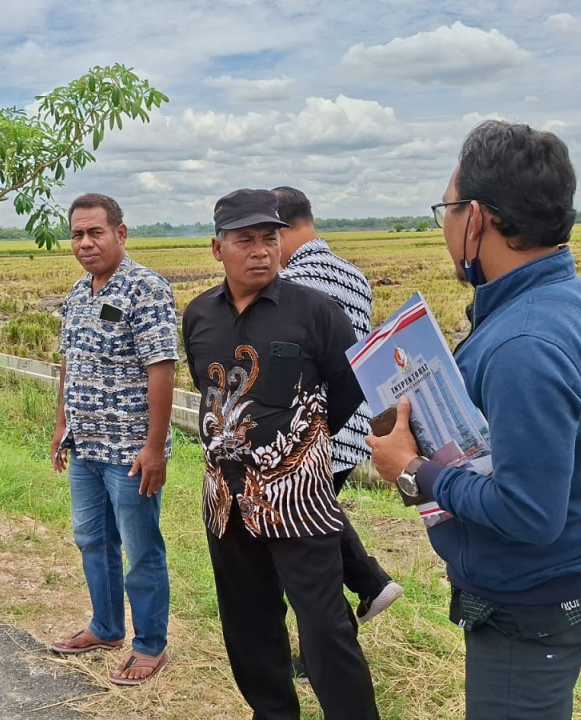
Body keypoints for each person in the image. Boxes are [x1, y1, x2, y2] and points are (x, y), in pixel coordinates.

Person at [366, 120, 581, 720]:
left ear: (475, 218)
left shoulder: (523, 342)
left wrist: (415, 471)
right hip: (564, 579)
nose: (446, 227)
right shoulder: (573, 298)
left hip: (530, 600)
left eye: (447, 210)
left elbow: (530, 512)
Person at [183, 189, 378, 719]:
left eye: (269, 238)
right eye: (245, 240)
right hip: (225, 502)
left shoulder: (316, 312)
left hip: (299, 500)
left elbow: (347, 390)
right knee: (248, 625)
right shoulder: (198, 315)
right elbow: (208, 391)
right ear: (216, 247)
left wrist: (303, 448)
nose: (260, 251)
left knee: (324, 627)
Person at [273, 186, 404, 680]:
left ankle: (328, 650)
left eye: (267, 234)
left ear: (282, 229)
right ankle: (369, 586)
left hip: (307, 436)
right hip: (349, 431)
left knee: (306, 551)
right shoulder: (352, 274)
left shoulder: (293, 281)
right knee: (318, 532)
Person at [48, 193, 175, 686]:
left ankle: (150, 645)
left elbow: (161, 369)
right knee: (92, 540)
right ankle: (105, 627)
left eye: (95, 232)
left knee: (141, 549)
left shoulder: (146, 289)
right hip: (85, 447)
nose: (85, 242)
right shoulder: (78, 294)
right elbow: (69, 362)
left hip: (129, 452)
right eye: (77, 234)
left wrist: (155, 446)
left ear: (120, 233)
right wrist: (62, 426)